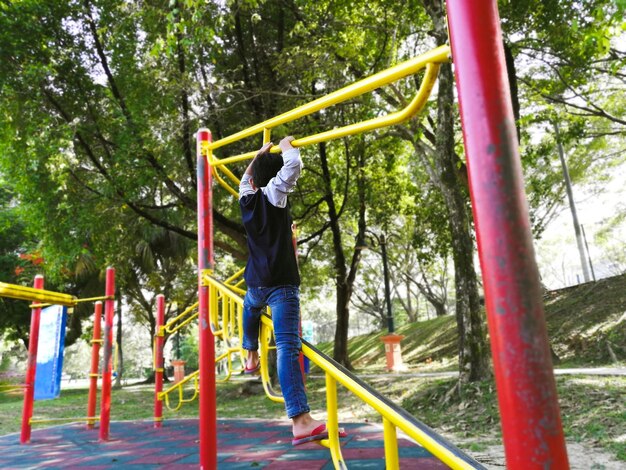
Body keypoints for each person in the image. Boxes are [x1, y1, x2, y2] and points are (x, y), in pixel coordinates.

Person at [239, 136, 344, 446]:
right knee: (287, 346)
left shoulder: (246, 198)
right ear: (272, 179)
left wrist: (259, 154)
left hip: (255, 284)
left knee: (250, 307)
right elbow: (293, 164)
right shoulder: (274, 194)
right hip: (281, 285)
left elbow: (247, 177)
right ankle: (300, 420)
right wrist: (285, 145)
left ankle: (249, 351)